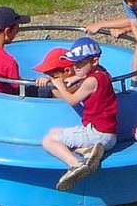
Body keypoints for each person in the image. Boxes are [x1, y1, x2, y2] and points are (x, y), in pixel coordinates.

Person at [42, 37, 118, 191]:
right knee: (54, 131)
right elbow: (95, 71)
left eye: (80, 63)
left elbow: (71, 100)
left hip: (96, 133)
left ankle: (75, 165)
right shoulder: (104, 74)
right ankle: (87, 151)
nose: (75, 67)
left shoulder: (90, 82)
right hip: (109, 135)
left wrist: (59, 84)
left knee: (48, 140)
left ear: (94, 61)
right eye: (74, 63)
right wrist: (76, 77)